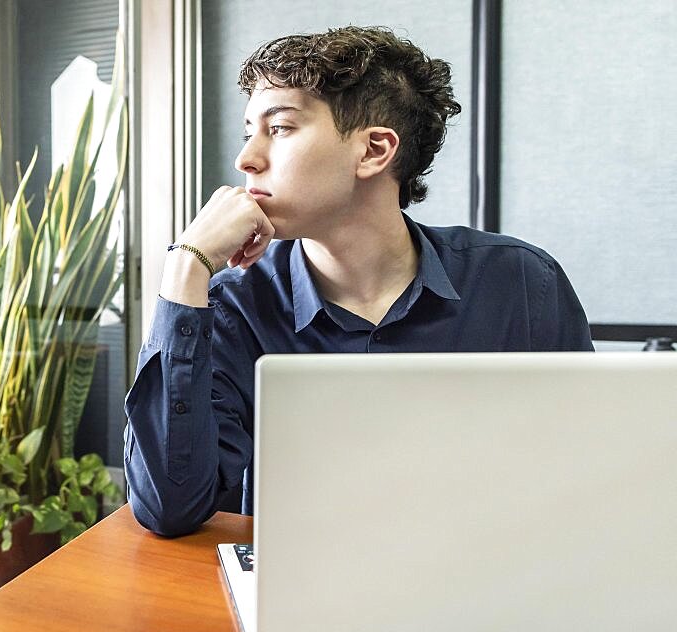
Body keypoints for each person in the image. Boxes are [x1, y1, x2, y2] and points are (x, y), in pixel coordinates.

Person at [123, 26, 593, 537]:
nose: (246, 159)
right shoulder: (232, 306)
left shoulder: (522, 284)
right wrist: (186, 267)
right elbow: (168, 509)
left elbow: (588, 474)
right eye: (248, 132)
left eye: (279, 128)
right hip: (295, 595)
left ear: (373, 151)